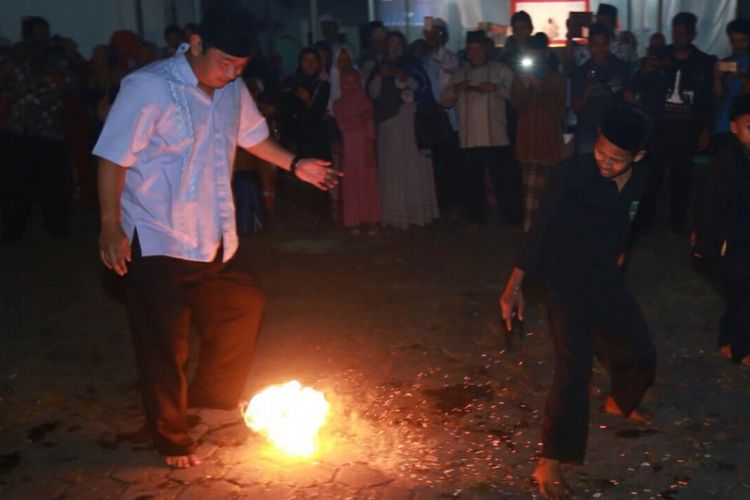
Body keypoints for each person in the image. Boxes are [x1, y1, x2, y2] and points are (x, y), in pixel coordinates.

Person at [93, 0, 339, 468]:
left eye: (240, 67)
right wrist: (109, 225)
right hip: (158, 233)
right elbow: (112, 155)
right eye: (225, 62)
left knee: (242, 306)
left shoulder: (232, 90)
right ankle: (170, 436)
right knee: (165, 341)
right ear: (197, 43)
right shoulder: (148, 87)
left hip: (214, 232)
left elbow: (251, 136)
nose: (230, 73)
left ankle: (209, 399)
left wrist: (294, 164)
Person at [499, 105, 657, 498]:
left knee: (640, 350)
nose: (604, 162)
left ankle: (619, 403)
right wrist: (515, 282)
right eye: (600, 151)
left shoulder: (642, 179)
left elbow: (630, 222)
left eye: (615, 159)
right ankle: (550, 460)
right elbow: (540, 228)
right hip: (564, 276)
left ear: (638, 157)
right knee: (575, 365)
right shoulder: (571, 174)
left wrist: (620, 255)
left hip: (604, 275)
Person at [635, 12, 716, 234]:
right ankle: (645, 221)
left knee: (682, 179)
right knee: (652, 178)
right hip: (659, 130)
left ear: (693, 34)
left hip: (687, 131)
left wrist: (706, 128)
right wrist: (647, 69)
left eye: (684, 32)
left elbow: (708, 99)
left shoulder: (703, 62)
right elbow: (638, 85)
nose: (679, 36)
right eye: (676, 32)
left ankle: (677, 222)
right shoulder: (660, 55)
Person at [1, 16, 77, 242]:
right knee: (16, 186)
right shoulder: (13, 57)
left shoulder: (56, 57)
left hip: (50, 132)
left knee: (55, 186)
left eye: (45, 33)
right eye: (38, 33)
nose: (42, 37)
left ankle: (57, 229)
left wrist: (49, 63)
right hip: (18, 132)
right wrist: (15, 60)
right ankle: (14, 231)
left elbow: (71, 88)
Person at [441, 30, 519, 227]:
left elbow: (517, 96)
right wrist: (456, 89)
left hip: (496, 136)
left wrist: (496, 90)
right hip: (468, 138)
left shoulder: (502, 70)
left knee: (502, 178)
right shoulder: (459, 74)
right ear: (467, 52)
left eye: (479, 49)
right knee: (472, 180)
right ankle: (476, 218)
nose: (475, 53)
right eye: (471, 49)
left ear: (487, 50)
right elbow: (444, 101)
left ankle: (510, 217)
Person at [695, 95, 750, 367]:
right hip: (731, 242)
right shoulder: (727, 161)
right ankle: (741, 349)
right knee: (742, 294)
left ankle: (729, 341)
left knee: (739, 296)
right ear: (734, 128)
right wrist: (710, 246)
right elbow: (710, 207)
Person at [368, 31, 439, 229]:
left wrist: (404, 79)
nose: (394, 47)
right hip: (387, 125)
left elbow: (423, 89)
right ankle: (393, 216)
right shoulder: (379, 66)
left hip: (409, 122)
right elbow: (372, 93)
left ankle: (416, 214)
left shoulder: (412, 65)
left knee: (411, 167)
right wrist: (381, 77)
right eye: (390, 43)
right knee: (391, 169)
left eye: (398, 43)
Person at [510, 33, 566, 232]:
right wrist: (525, 88)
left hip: (548, 145)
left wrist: (540, 89)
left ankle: (548, 237)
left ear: (545, 54)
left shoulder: (557, 78)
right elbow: (516, 106)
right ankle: (531, 239)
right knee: (530, 199)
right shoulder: (520, 77)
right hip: (527, 145)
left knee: (550, 197)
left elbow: (558, 110)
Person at [277, 47, 333, 230]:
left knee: (316, 178)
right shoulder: (289, 82)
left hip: (316, 141)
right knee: (293, 179)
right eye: (306, 60)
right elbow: (282, 108)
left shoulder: (323, 85)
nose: (309, 64)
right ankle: (294, 223)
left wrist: (308, 100)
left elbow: (319, 114)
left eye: (313, 61)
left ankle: (318, 223)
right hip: (293, 139)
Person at [571, 23, 632, 155]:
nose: (599, 49)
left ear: (609, 44)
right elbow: (575, 107)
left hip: (615, 132)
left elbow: (629, 101)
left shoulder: (621, 68)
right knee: (587, 171)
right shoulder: (581, 72)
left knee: (613, 172)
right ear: (589, 46)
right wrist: (588, 86)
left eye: (603, 44)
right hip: (588, 133)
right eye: (595, 45)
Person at [333, 68, 380, 234]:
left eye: (354, 82)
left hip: (364, 147)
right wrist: (360, 118)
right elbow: (343, 125)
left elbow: (370, 128)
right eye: (346, 82)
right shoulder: (338, 104)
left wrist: (370, 148)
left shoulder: (366, 101)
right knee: (351, 184)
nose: (350, 86)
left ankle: (372, 220)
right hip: (349, 148)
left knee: (369, 183)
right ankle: (354, 221)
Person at [423, 17, 460, 208]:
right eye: (432, 33)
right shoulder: (425, 61)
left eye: (439, 33)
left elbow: (447, 64)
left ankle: (454, 204)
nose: (435, 37)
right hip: (434, 121)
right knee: (437, 164)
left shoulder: (452, 57)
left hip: (451, 120)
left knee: (453, 163)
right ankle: (442, 205)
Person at [714, 19, 750, 136]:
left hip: (744, 126)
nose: (737, 45)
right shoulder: (726, 62)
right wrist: (717, 78)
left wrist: (742, 77)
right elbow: (717, 96)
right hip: (724, 125)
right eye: (733, 40)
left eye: (742, 40)